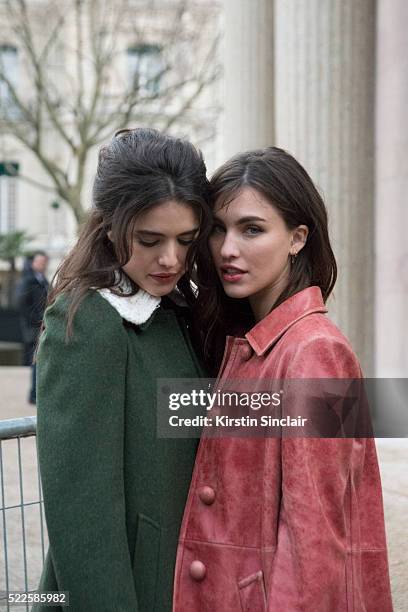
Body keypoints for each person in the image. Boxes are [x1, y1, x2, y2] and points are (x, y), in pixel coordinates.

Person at [173, 147, 393, 611]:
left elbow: (314, 542)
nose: (228, 249)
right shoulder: (251, 342)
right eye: (218, 229)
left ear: (297, 238)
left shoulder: (315, 353)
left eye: (252, 229)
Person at [34, 128, 211, 611]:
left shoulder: (176, 308)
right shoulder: (90, 321)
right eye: (150, 239)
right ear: (110, 227)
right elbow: (83, 516)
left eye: (186, 240)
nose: (171, 258)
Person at [16, 251, 49, 403]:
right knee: (36, 361)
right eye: (40, 262)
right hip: (33, 328)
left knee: (40, 360)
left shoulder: (43, 281)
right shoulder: (28, 281)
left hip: (43, 326)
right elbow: (23, 305)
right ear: (33, 263)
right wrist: (38, 321)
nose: (43, 265)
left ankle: (35, 394)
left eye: (44, 262)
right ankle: (34, 395)